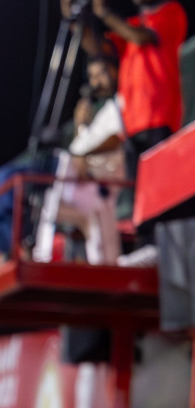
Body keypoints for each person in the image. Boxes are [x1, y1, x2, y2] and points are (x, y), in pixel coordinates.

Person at [34, 54, 126, 266]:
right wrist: (80, 125)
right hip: (80, 181)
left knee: (47, 171)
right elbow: (80, 147)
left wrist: (81, 156)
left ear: (115, 71)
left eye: (101, 74)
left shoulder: (120, 102)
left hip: (100, 180)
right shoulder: (98, 111)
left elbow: (116, 138)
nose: (95, 82)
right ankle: (38, 256)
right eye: (92, 76)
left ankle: (39, 257)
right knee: (38, 193)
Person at [76, 0, 186, 168]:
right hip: (130, 126)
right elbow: (97, 48)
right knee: (137, 184)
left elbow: (140, 37)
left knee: (161, 177)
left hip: (158, 118)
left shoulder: (171, 11)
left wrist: (104, 12)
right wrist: (72, 15)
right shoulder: (132, 24)